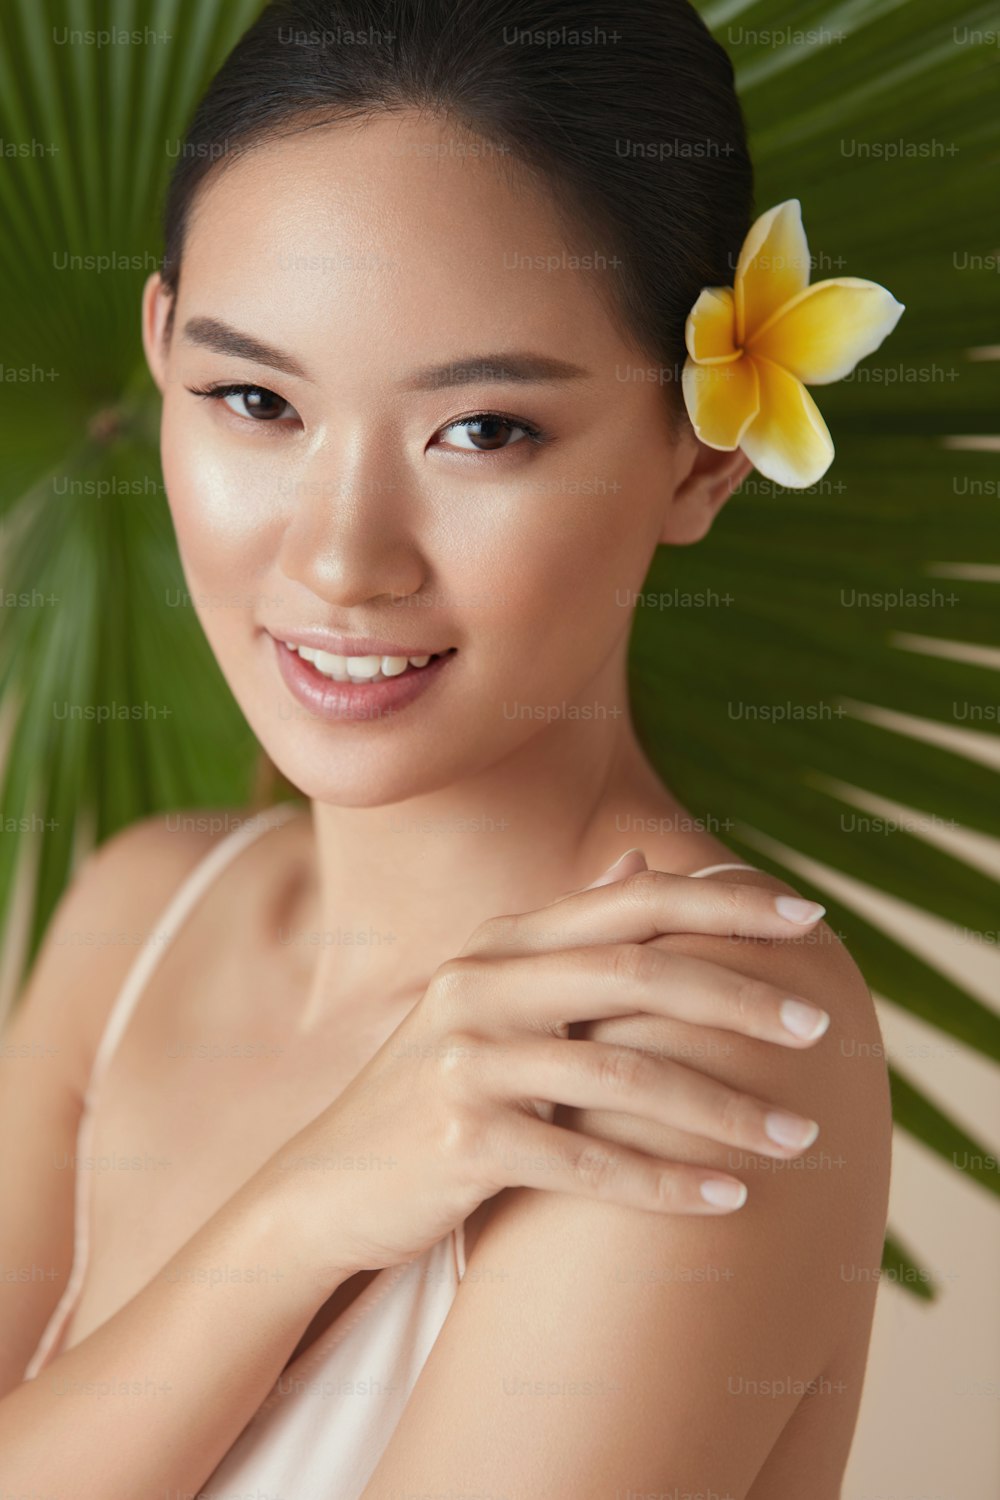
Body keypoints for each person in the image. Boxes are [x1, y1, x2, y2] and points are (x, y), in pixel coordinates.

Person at [0, 2, 893, 1495]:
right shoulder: (141, 911)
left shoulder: (696, 1043)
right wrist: (304, 1212)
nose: (341, 560)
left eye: (482, 431)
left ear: (701, 450)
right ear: (160, 353)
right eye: (254, 400)